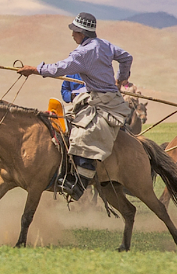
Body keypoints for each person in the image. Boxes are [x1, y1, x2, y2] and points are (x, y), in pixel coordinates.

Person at [17, 13, 132, 200]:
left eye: (75, 31)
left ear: (83, 33)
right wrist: (122, 77)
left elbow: (59, 68)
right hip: (101, 97)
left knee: (82, 134)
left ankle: (80, 183)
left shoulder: (83, 53)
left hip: (104, 102)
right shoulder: (105, 44)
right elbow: (126, 57)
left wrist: (35, 70)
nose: (73, 35)